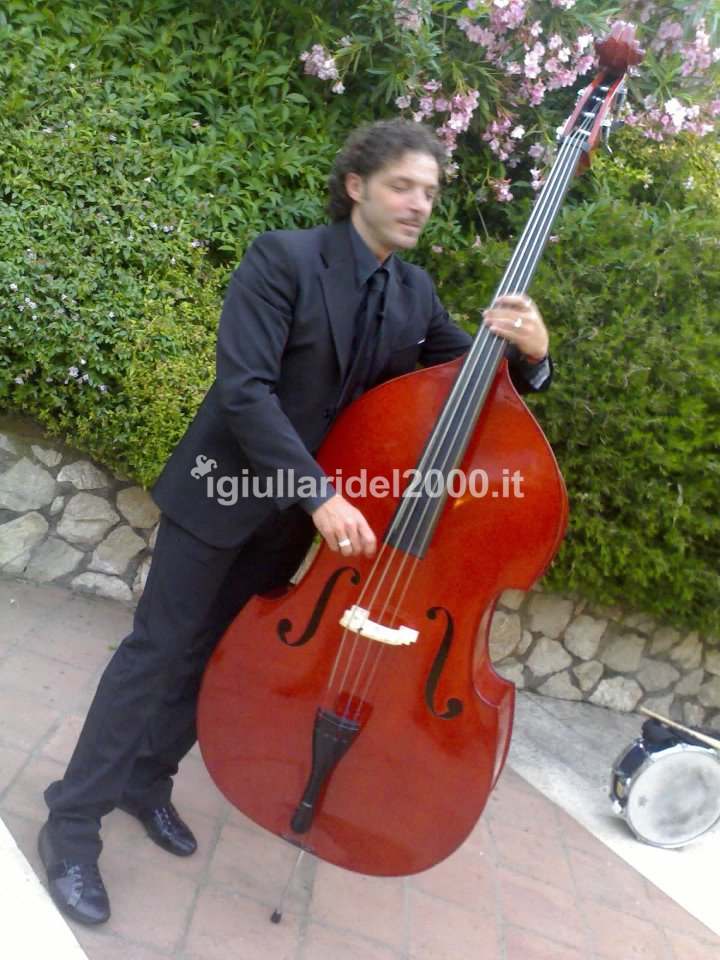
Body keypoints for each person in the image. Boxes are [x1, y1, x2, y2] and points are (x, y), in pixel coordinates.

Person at [38, 119, 551, 925]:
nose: (420, 204)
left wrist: (533, 354)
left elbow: (474, 376)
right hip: (222, 496)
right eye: (403, 186)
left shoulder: (413, 295)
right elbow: (245, 392)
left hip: (290, 523)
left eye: (430, 191)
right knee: (157, 653)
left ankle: (146, 781)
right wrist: (320, 495)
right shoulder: (282, 259)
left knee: (216, 656)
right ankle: (71, 825)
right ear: (356, 186)